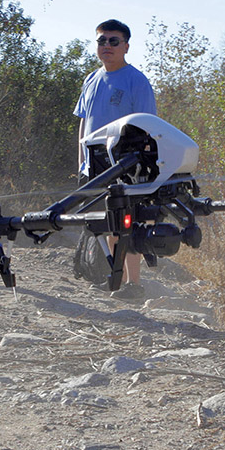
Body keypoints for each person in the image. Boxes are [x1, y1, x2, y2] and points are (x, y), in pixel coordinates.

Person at [73, 19, 156, 301]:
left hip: (124, 162)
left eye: (113, 41)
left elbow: (147, 126)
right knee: (107, 222)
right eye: (101, 41)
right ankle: (115, 278)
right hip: (93, 165)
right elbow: (83, 123)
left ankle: (135, 284)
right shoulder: (91, 79)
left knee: (126, 221)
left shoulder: (136, 80)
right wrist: (81, 160)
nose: (106, 46)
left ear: (126, 46)